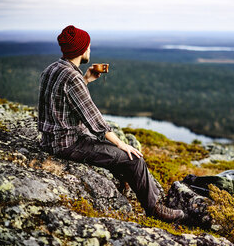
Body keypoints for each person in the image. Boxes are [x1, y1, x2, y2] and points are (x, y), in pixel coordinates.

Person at [38, 25, 184, 222]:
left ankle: (126, 181)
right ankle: (154, 209)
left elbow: (63, 100)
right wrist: (121, 144)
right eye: (88, 45)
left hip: (50, 140)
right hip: (67, 144)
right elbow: (94, 119)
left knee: (119, 155)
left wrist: (86, 80)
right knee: (134, 158)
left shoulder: (52, 69)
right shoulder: (72, 78)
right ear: (81, 50)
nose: (90, 49)